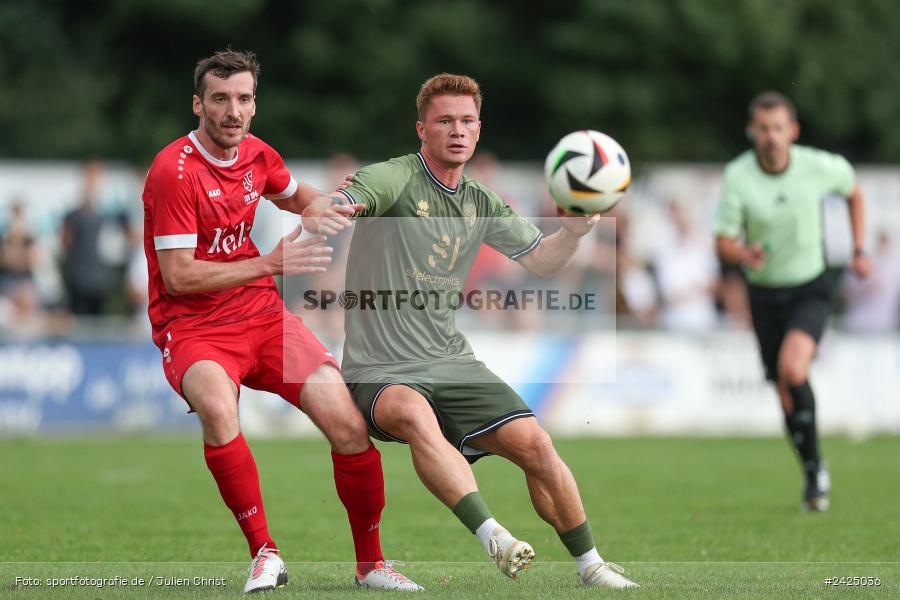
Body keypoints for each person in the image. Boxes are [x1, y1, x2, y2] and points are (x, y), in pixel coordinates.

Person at [310, 73, 638, 588]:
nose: (456, 131)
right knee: (417, 416)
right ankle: (495, 538)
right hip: (379, 369)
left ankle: (591, 565)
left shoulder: (481, 200)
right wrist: (333, 208)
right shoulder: (395, 178)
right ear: (423, 130)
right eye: (444, 121)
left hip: (452, 361)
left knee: (537, 445)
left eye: (466, 121)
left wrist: (572, 233)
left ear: (479, 130)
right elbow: (350, 197)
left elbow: (542, 261)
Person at [141, 49, 421, 592]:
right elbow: (178, 277)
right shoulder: (173, 172)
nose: (233, 110)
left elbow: (297, 197)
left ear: (253, 105)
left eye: (243, 99)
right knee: (219, 410)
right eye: (220, 99)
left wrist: (326, 206)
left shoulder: (257, 155)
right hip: (194, 326)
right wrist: (271, 263)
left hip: (262, 317)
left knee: (347, 423)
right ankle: (264, 553)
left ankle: (372, 566)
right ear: (198, 104)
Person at [715, 91, 872, 511]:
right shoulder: (738, 176)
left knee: (792, 367)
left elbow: (854, 191)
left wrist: (859, 249)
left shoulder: (818, 166)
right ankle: (813, 468)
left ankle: (815, 470)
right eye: (763, 128)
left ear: (793, 131)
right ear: (752, 131)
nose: (771, 136)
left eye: (779, 128)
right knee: (784, 392)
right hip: (764, 293)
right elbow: (723, 242)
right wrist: (744, 254)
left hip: (810, 286)